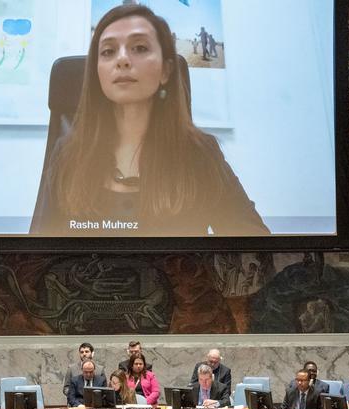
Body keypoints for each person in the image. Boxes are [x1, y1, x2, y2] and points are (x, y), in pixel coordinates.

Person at [30, 4, 269, 237]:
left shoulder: (199, 154)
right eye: (108, 51)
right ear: (96, 72)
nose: (122, 59)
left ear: (166, 70)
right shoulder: (68, 154)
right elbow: (36, 256)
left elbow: (255, 247)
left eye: (140, 47)